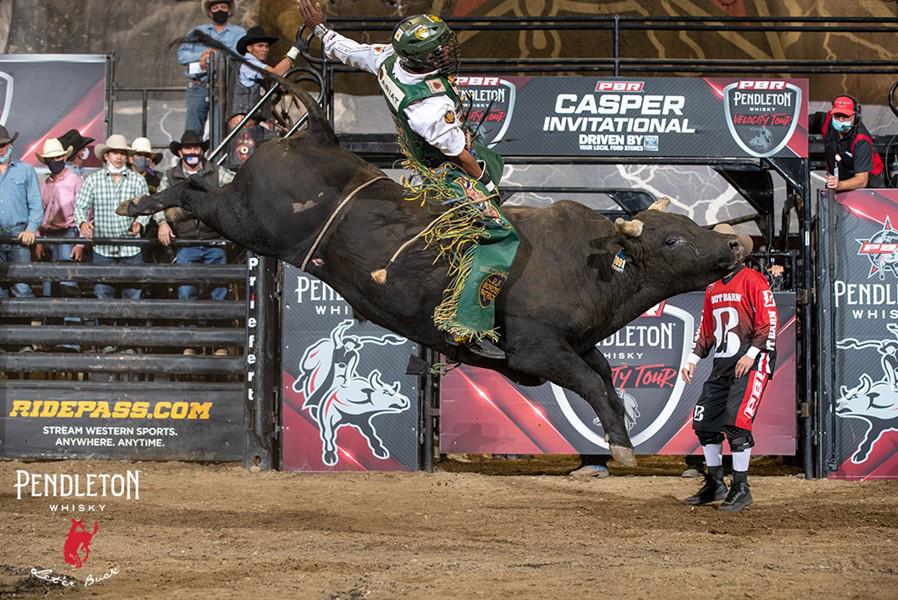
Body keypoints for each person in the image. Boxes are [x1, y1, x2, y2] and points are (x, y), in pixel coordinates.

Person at [298, 0, 517, 360]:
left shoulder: (388, 60)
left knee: (492, 164)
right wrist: (486, 186)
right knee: (501, 233)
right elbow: (457, 152)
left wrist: (322, 29)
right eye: (440, 50)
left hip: (433, 152)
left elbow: (350, 51)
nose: (447, 52)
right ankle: (466, 324)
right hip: (444, 168)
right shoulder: (427, 106)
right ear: (423, 59)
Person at [680, 225, 778, 512]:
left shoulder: (754, 280)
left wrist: (751, 354)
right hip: (724, 364)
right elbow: (706, 330)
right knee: (704, 424)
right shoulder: (713, 287)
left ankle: (741, 486)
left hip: (751, 362)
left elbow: (767, 322)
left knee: (736, 425)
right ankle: (716, 482)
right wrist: (692, 359)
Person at [154, 130, 234, 300]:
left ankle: (219, 324)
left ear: (201, 151)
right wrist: (162, 223)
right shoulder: (170, 176)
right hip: (186, 242)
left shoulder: (217, 172)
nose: (192, 152)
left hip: (215, 241)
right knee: (186, 289)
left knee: (219, 289)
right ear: (181, 152)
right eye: (188, 148)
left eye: (196, 148)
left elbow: (236, 188)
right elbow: (158, 201)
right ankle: (189, 325)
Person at [74, 134, 150, 301]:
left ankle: (129, 327)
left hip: (130, 248)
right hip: (103, 248)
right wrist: (82, 222)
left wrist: (140, 223)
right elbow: (80, 206)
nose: (119, 157)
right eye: (115, 152)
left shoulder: (137, 180)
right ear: (106, 156)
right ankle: (107, 326)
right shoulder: (93, 180)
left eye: (122, 153)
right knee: (103, 295)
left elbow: (145, 208)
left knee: (132, 297)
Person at [178, 0, 246, 135]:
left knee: (219, 130)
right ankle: (193, 154)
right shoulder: (196, 32)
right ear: (210, 12)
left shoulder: (239, 33)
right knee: (192, 130)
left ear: (229, 10)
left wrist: (212, 56)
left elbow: (239, 55)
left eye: (223, 7)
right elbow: (182, 56)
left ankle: (217, 156)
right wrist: (201, 54)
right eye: (215, 7)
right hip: (198, 86)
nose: (220, 10)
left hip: (224, 87)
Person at [36, 137, 83, 296]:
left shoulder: (75, 180)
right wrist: (39, 239)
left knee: (67, 281)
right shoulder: (44, 184)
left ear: (64, 157)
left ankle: (71, 320)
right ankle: (50, 318)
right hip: (47, 235)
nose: (54, 161)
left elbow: (86, 212)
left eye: (57, 157)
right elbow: (39, 212)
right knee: (48, 282)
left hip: (68, 233)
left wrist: (80, 242)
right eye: (51, 159)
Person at [0, 125, 42, 298]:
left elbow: (36, 204)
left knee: (22, 286)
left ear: (10, 145)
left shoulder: (26, 170)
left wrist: (31, 229)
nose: (0, 149)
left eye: (3, 145)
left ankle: (22, 323)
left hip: (19, 234)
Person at [814, 95, 885, 191]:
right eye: (837, 115)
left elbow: (861, 180)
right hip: (841, 181)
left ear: (856, 116)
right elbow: (800, 120)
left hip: (870, 187)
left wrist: (839, 185)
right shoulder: (826, 121)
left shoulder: (861, 140)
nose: (841, 120)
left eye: (845, 116)